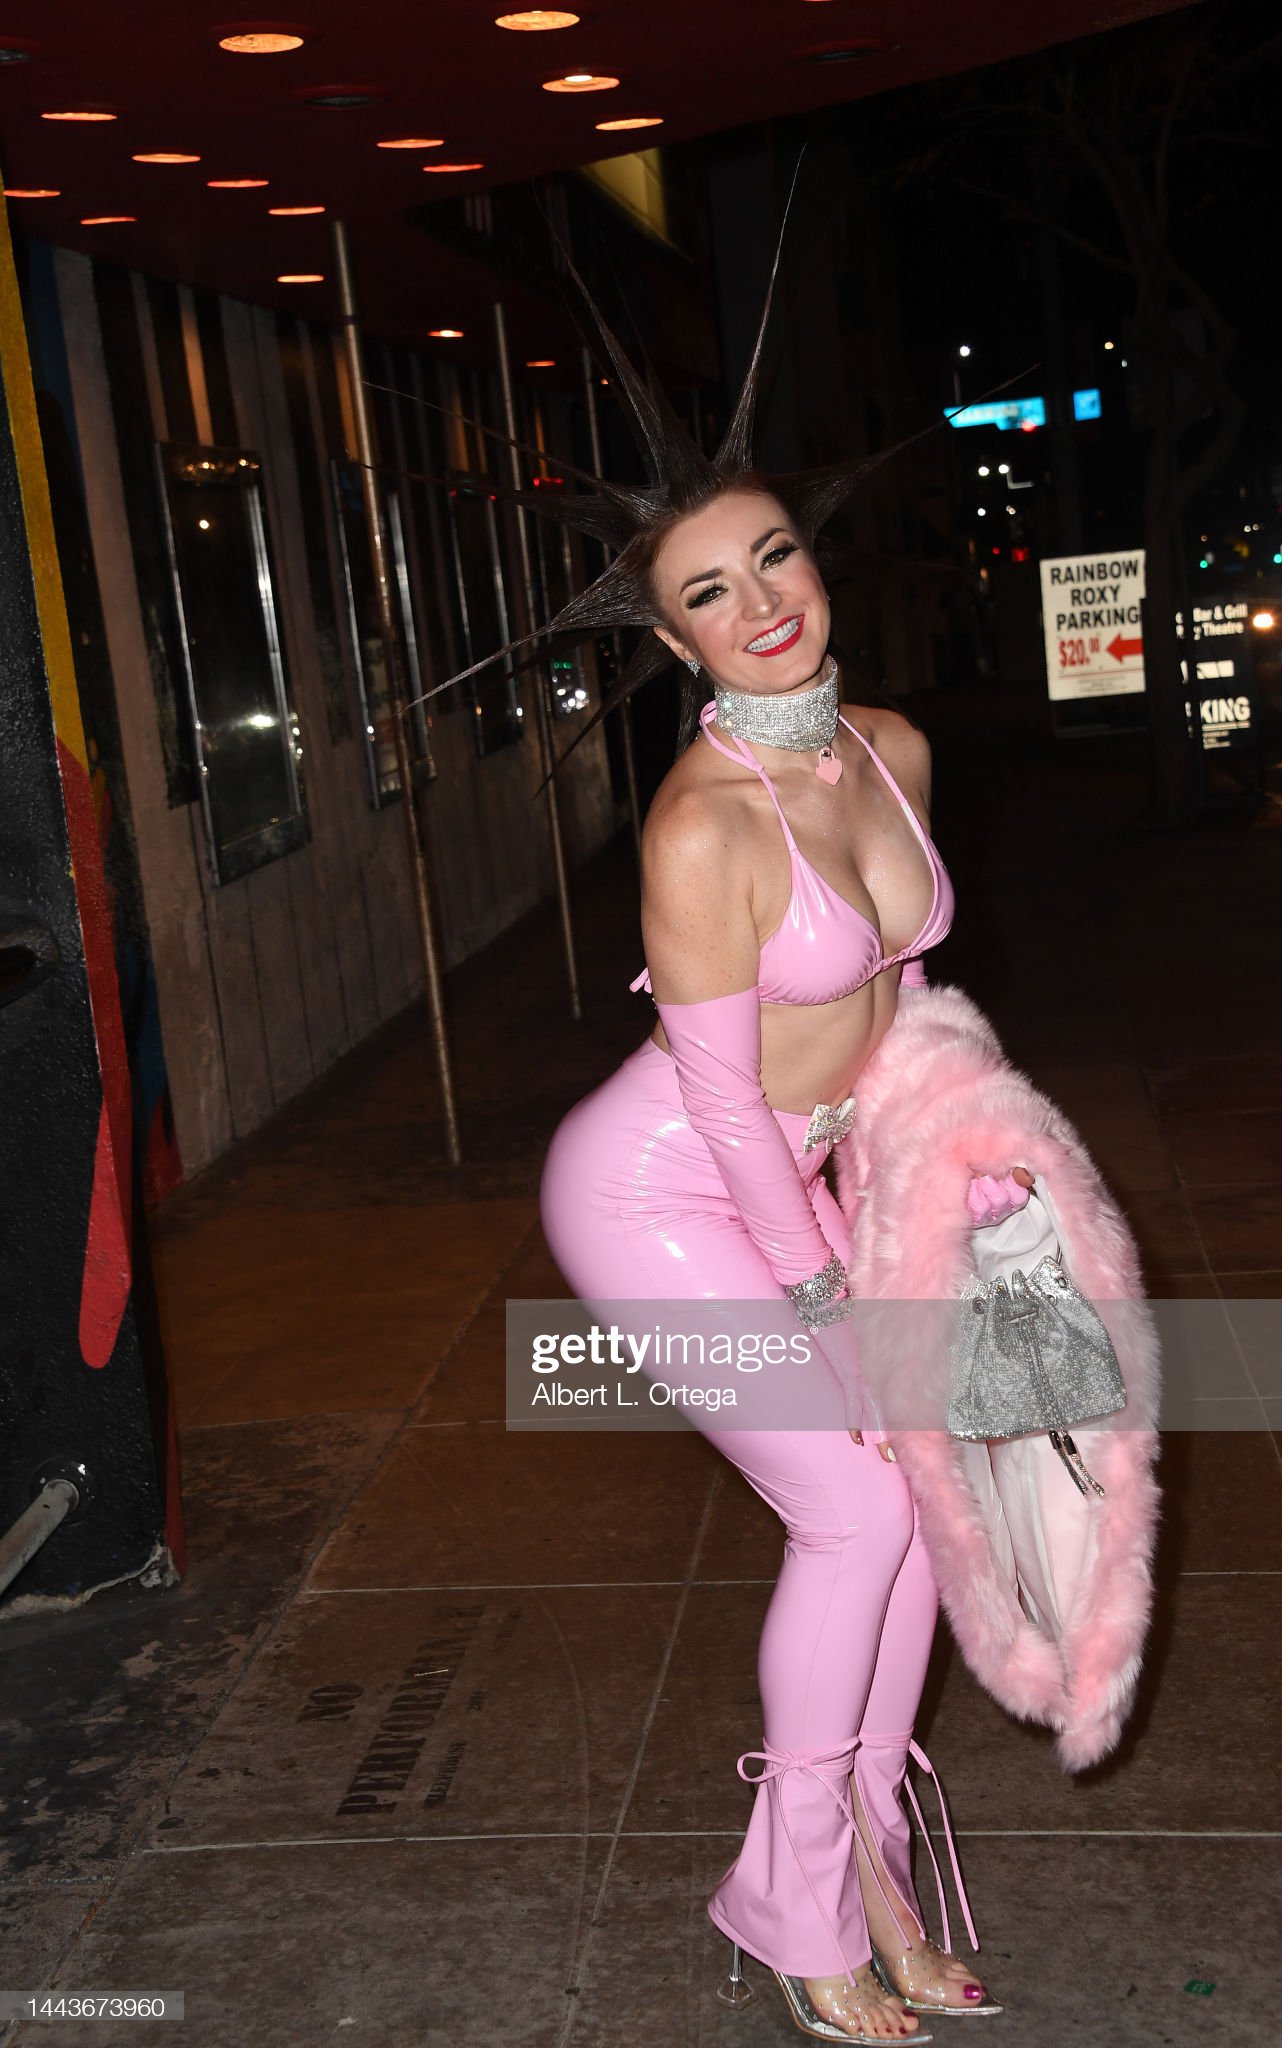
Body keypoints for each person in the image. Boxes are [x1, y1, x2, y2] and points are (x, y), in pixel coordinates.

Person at [422, 229, 1032, 2045]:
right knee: (852, 1507)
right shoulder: (699, 830)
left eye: (771, 554)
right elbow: (715, 1104)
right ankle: (793, 1900)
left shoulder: (898, 752)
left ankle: (861, 1872)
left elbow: (900, 1012)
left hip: (826, 1172)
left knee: (927, 1499)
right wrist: (834, 1286)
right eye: (707, 589)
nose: (758, 600)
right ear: (668, 630)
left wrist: (960, 1183)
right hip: (669, 1197)